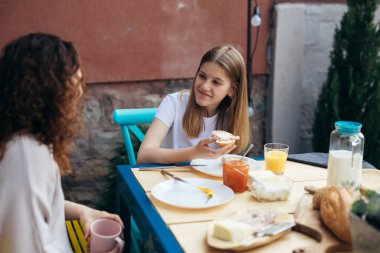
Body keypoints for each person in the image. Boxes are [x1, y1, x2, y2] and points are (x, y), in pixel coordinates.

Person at [0, 33, 123, 253]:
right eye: (74, 84)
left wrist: (82, 212)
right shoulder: (26, 157)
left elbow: (31, 205)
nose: (79, 93)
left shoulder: (22, 137)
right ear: (50, 91)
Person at [137, 45, 250, 164]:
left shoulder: (232, 114)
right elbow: (144, 155)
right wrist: (193, 153)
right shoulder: (174, 103)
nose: (205, 86)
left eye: (216, 82)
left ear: (232, 90)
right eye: (202, 76)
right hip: (171, 178)